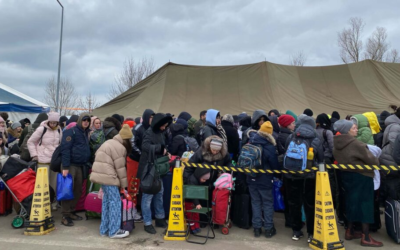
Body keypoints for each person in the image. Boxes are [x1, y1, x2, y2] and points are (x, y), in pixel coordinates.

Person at [333, 120, 383, 247]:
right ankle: (366, 237)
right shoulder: (356, 144)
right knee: (366, 205)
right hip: (363, 177)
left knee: (351, 202)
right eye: (354, 128)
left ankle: (349, 231)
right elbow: (373, 161)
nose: (357, 130)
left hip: (347, 175)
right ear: (347, 130)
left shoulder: (337, 143)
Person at [284, 115, 324, 242]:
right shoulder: (316, 139)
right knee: (310, 205)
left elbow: (286, 152)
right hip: (309, 177)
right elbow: (321, 159)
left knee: (294, 203)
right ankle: (311, 233)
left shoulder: (291, 136)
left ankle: (296, 231)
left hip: (291, 175)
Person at [90, 124, 132, 239]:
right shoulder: (120, 147)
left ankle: (104, 229)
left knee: (106, 202)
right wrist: (124, 186)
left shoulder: (108, 142)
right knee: (115, 203)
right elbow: (120, 169)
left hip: (101, 176)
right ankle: (114, 231)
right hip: (109, 177)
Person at [137, 113, 172, 234]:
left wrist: (165, 152)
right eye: (163, 126)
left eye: (165, 126)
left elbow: (161, 146)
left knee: (159, 193)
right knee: (147, 196)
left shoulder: (160, 132)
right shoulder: (149, 132)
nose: (164, 128)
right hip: (148, 169)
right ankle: (147, 223)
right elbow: (145, 146)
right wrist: (160, 149)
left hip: (157, 168)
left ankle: (160, 218)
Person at [248, 121, 279, 238]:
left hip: (251, 177)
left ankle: (256, 228)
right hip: (265, 179)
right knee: (267, 203)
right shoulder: (269, 146)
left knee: (255, 202)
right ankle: (269, 228)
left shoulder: (251, 141)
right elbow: (274, 164)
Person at [60, 113, 91, 227]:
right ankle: (65, 215)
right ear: (79, 121)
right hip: (70, 165)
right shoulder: (71, 131)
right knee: (68, 190)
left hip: (81, 165)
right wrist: (66, 167)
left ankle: (72, 211)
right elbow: (65, 149)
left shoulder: (85, 132)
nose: (86, 122)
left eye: (88, 120)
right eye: (84, 120)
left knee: (78, 190)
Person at [27, 112, 62, 209]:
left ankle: (51, 203)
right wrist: (34, 155)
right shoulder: (41, 129)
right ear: (48, 121)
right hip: (43, 160)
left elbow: (60, 144)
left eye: (55, 123)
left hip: (54, 160)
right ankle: (42, 204)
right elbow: (30, 142)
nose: (53, 124)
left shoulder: (59, 130)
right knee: (43, 184)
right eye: (51, 122)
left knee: (53, 184)